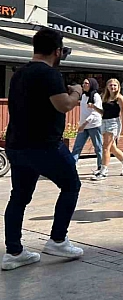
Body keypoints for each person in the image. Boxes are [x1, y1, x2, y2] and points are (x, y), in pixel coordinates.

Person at [3, 28, 84, 271]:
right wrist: (77, 91)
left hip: (17, 144)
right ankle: (58, 240)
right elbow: (63, 105)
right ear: (58, 51)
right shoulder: (48, 74)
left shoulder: (19, 73)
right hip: (44, 145)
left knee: (19, 196)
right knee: (71, 185)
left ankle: (14, 252)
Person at [93, 78, 123, 181]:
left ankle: (103, 171)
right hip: (104, 122)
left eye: (115, 85)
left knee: (105, 147)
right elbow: (104, 112)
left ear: (118, 87)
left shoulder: (119, 98)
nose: (113, 87)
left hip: (113, 123)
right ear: (107, 86)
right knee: (112, 148)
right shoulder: (104, 97)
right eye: (111, 85)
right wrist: (94, 107)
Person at [71, 78, 103, 173]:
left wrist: (84, 123)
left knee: (98, 147)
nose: (84, 85)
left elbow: (95, 113)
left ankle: (101, 167)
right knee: (77, 147)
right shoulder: (84, 96)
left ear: (91, 85)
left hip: (94, 125)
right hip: (83, 125)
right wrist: (81, 124)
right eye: (83, 83)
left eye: (86, 83)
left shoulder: (96, 96)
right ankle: (71, 167)